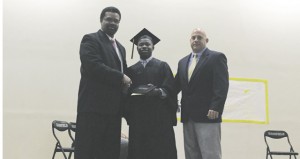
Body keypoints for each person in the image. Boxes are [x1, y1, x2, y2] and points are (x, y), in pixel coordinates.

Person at [75, 6, 132, 159]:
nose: (112, 23)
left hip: (113, 111)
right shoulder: (91, 39)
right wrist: (121, 77)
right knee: (90, 151)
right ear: (101, 20)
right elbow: (93, 65)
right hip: (93, 109)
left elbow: (126, 72)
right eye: (109, 19)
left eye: (116, 21)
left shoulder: (121, 48)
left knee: (109, 152)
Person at [174, 28, 229, 159]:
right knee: (191, 154)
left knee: (210, 154)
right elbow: (175, 86)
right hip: (188, 117)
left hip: (208, 116)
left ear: (206, 40)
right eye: (193, 37)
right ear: (190, 40)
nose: (196, 40)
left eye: (199, 37)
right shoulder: (182, 62)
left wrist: (216, 107)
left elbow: (222, 85)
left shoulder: (216, 58)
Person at [124, 28, 178, 159]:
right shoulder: (130, 70)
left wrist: (158, 92)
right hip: (139, 120)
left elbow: (171, 89)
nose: (144, 46)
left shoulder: (162, 66)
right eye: (141, 44)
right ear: (136, 47)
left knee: (161, 151)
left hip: (159, 119)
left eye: (147, 44)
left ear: (153, 47)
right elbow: (126, 95)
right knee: (139, 151)